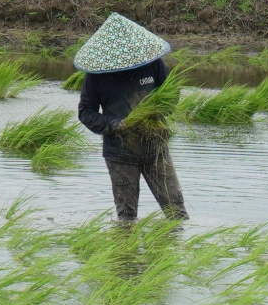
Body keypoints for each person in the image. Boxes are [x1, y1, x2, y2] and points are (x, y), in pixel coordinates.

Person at [75, 13, 187, 222]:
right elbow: (85, 112)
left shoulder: (152, 64)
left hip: (155, 148)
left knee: (177, 212)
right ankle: (127, 254)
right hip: (119, 153)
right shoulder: (97, 74)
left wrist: (156, 113)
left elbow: (171, 94)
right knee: (126, 218)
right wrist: (116, 124)